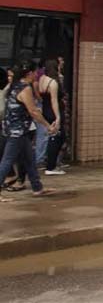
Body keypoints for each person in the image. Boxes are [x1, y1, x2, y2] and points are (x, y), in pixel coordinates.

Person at [0, 60, 56, 202]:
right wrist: (48, 125)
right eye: (36, 72)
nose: (37, 75)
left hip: (15, 130)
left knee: (29, 159)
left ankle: (37, 188)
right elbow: (33, 111)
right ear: (30, 73)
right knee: (7, 161)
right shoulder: (25, 88)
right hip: (16, 132)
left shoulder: (14, 86)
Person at [38, 59, 66, 175]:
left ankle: (50, 163)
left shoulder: (42, 79)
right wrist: (58, 117)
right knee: (57, 137)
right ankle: (51, 166)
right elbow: (54, 101)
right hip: (54, 111)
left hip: (45, 109)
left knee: (55, 136)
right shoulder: (53, 82)